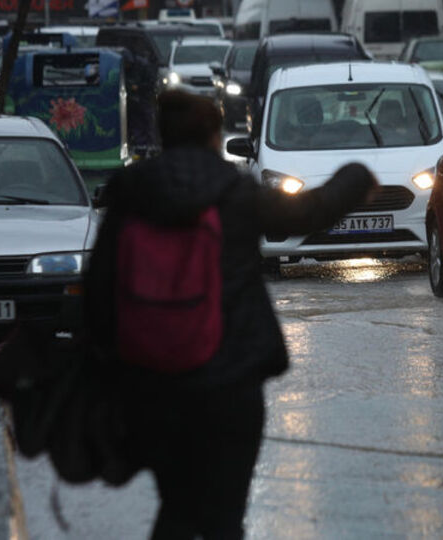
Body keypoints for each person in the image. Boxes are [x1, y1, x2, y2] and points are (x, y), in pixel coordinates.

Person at [84, 90, 377, 539]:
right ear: (214, 136)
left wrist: (110, 370)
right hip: (230, 380)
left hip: (154, 384)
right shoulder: (235, 191)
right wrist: (355, 176)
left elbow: (99, 291)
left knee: (177, 506)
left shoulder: (131, 193)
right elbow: (308, 213)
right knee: (224, 514)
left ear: (164, 136)